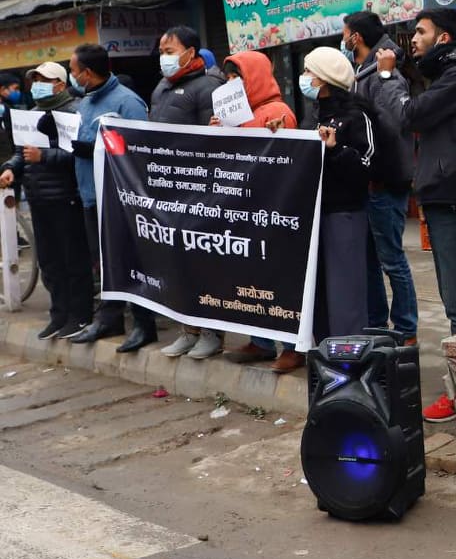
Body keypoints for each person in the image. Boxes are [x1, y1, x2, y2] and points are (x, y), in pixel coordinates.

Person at [391, 10, 456, 423]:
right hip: (444, 191)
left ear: (443, 37)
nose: (413, 39)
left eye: (421, 32)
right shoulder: (448, 72)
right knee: (455, 297)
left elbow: (410, 115)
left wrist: (388, 79)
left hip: (453, 193)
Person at [213, 51, 301, 370]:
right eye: (228, 77)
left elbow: (287, 158)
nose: (231, 83)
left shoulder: (277, 111)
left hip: (273, 209)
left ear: (254, 77)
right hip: (246, 209)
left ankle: (292, 346)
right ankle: (261, 342)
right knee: (253, 279)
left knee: (280, 279)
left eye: (237, 76)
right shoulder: (238, 114)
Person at [66, 44, 153, 350]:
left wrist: (96, 150)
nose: (72, 77)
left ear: (87, 73)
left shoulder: (127, 102)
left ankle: (144, 324)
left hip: (120, 199)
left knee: (131, 261)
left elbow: (140, 149)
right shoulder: (85, 103)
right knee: (103, 263)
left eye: (74, 71)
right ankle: (110, 319)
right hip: (91, 195)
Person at [152, 26, 226, 360]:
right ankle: (188, 329)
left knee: (203, 264)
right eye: (162, 52)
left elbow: (216, 143)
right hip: (167, 189)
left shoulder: (208, 87)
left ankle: (211, 332)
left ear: (190, 52)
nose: (164, 58)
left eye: (170, 51)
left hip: (198, 190)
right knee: (176, 264)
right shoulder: (161, 88)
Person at [344, 11, 418, 344]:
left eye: (345, 33)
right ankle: (376, 323)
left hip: (384, 181)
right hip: (366, 181)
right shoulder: (360, 74)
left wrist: (386, 76)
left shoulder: (386, 75)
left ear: (356, 37)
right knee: (369, 260)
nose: (343, 39)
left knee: (391, 259)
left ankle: (406, 328)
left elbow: (391, 123)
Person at [1, 63, 90, 340]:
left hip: (66, 197)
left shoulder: (74, 112)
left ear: (60, 84)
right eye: (35, 80)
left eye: (44, 80)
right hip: (37, 197)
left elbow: (78, 153)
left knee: (73, 260)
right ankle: (59, 314)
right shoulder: (31, 113)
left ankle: (80, 316)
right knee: (50, 262)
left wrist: (44, 157)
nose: (37, 85)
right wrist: (11, 167)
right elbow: (22, 152)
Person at [301, 47, 374, 341]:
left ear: (324, 79)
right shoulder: (313, 115)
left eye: (309, 72)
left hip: (344, 213)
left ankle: (348, 352)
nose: (304, 77)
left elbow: (366, 166)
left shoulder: (356, 116)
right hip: (313, 214)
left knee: (345, 290)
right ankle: (322, 351)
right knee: (316, 290)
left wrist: (336, 150)